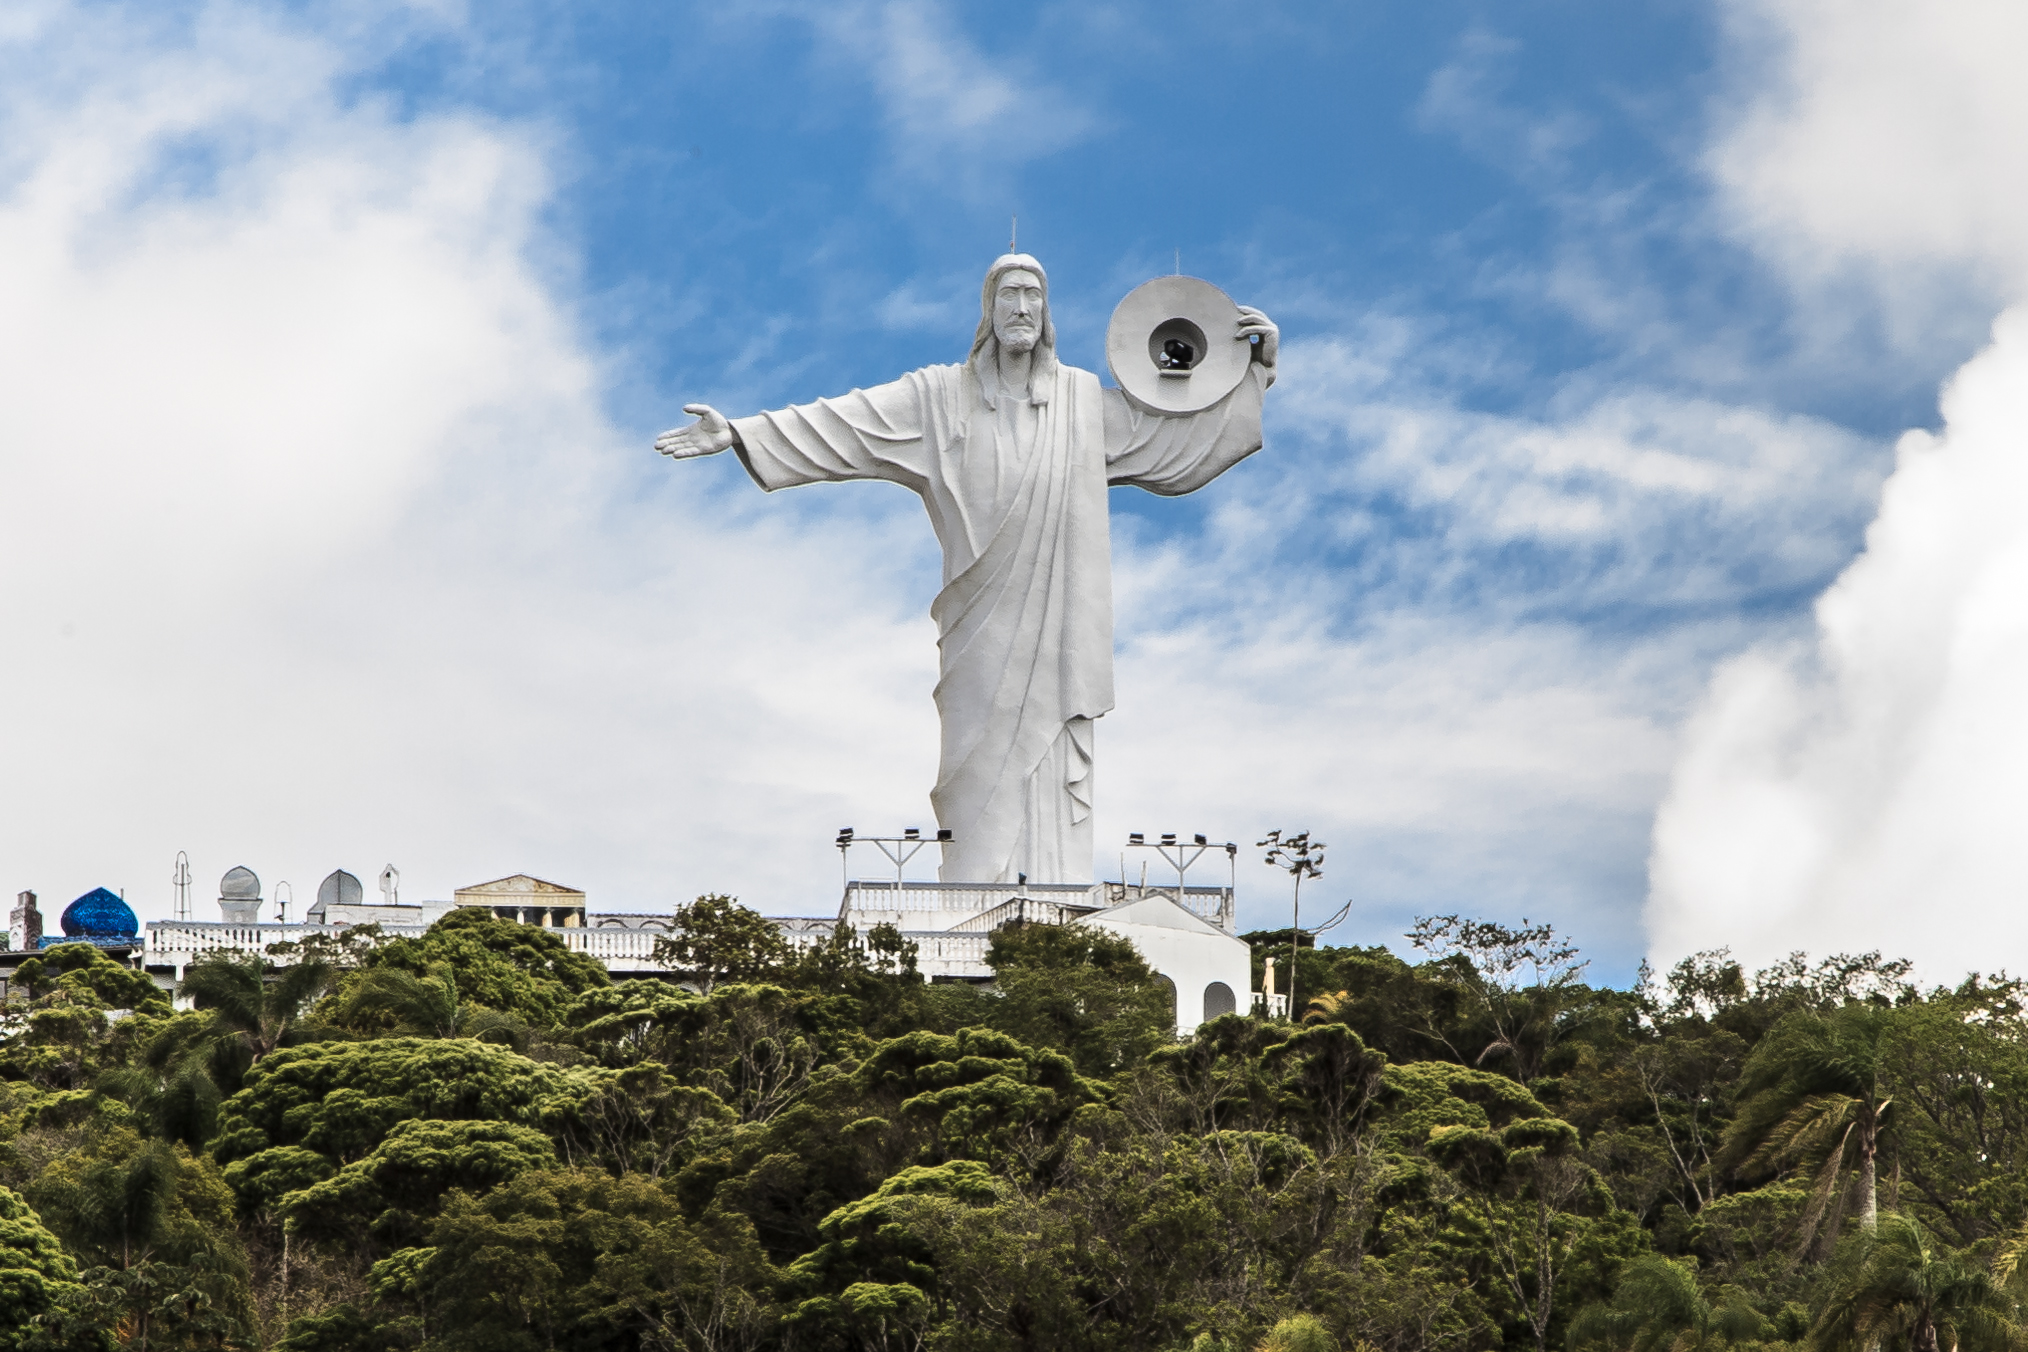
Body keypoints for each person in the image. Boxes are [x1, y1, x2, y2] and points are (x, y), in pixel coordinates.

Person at [658, 254, 1277, 885]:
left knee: (1053, 758)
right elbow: (847, 421)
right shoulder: (936, 400)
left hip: (1058, 628)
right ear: (988, 310)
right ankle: (975, 902)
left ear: (1047, 313)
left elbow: (1173, 440)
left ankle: (1056, 904)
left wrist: (1251, 371)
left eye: (1033, 296)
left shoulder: (1083, 404)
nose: (1021, 308)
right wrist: (740, 432)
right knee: (975, 769)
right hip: (979, 624)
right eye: (1008, 294)